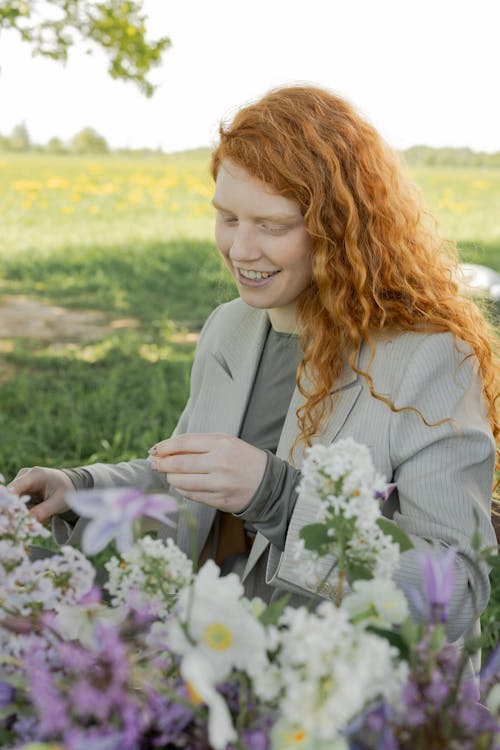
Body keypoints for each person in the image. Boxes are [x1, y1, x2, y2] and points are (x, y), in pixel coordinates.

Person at [9, 85, 498, 654]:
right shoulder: (231, 328)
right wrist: (81, 490)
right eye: (227, 218)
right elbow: (190, 485)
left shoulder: (429, 358)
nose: (240, 250)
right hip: (211, 668)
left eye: (271, 225)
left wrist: (281, 501)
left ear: (339, 228)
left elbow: (456, 594)